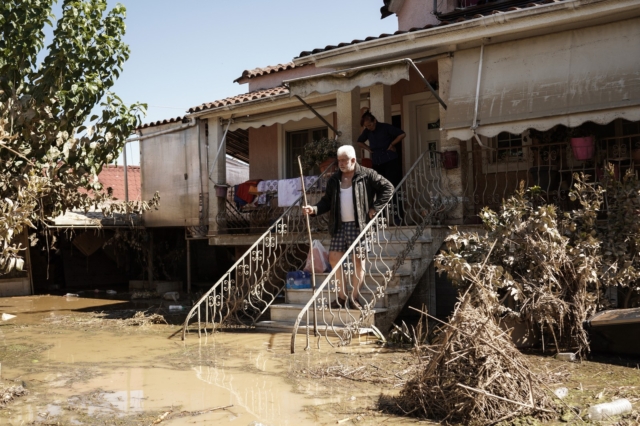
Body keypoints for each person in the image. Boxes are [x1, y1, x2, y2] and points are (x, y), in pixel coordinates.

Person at [302, 145, 394, 309]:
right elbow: (326, 201)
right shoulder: (334, 180)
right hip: (339, 226)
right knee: (334, 259)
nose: (341, 164)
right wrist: (314, 209)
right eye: (339, 161)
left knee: (358, 261)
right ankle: (341, 297)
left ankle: (354, 297)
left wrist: (375, 207)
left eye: (344, 160)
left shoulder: (367, 174)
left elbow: (388, 188)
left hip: (359, 225)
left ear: (353, 160)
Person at [357, 111, 405, 188]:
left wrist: (392, 144)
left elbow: (402, 134)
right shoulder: (367, 131)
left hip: (389, 159)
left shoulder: (385, 127)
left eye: (370, 125)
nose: (369, 127)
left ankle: (393, 200)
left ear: (374, 121)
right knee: (378, 184)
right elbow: (359, 142)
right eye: (366, 126)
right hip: (376, 161)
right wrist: (368, 149)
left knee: (392, 183)